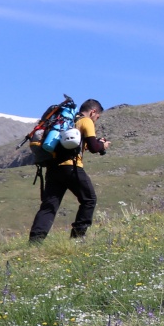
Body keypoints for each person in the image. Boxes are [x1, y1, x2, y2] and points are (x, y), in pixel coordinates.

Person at [29, 98, 109, 242]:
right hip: (71, 167)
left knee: (49, 206)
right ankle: (77, 236)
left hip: (53, 169)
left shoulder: (68, 122)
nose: (96, 120)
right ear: (93, 112)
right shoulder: (86, 121)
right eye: (97, 117)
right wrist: (103, 145)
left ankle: (35, 240)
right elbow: (93, 147)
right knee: (89, 199)